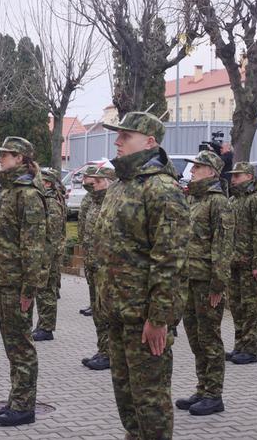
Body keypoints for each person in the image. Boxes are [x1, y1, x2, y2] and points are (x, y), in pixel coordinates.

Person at [94, 112, 190, 440]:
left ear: (149, 141)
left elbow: (170, 260)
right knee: (127, 399)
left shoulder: (162, 188)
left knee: (150, 401)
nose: (117, 141)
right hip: (118, 313)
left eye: (126, 136)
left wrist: (159, 317)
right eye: (117, 135)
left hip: (144, 319)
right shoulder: (121, 185)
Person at [0, 137, 47, 427]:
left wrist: (29, 288)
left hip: (17, 282)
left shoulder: (28, 193)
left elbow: (33, 245)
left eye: (6, 155)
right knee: (11, 343)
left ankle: (25, 406)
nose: (1, 159)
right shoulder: (7, 191)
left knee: (21, 345)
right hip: (2, 278)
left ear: (21, 158)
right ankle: (16, 398)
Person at [175, 150, 234, 416]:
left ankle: (214, 394)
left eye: (198, 167)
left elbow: (222, 247)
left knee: (210, 337)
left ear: (211, 171)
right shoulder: (193, 199)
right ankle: (202, 388)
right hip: (189, 278)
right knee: (195, 337)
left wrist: (217, 286)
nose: (193, 170)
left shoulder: (217, 202)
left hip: (207, 281)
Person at [225, 162, 257, 365]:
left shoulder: (256, 200)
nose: (234, 179)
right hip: (234, 262)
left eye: (238, 175)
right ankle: (239, 345)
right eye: (233, 175)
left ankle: (250, 349)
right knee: (236, 306)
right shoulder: (233, 200)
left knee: (250, 307)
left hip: (249, 263)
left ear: (250, 177)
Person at [80, 165, 116, 371]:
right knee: (97, 311)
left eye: (100, 181)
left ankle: (110, 352)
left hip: (107, 270)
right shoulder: (94, 203)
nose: (95, 184)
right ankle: (103, 349)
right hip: (93, 266)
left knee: (106, 312)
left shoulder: (113, 205)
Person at [32, 167, 66, 342]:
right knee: (43, 290)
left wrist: (44, 257)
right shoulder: (46, 199)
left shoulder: (51, 202)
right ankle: (43, 324)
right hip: (46, 253)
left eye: (40, 180)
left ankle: (46, 327)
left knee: (46, 291)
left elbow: (51, 234)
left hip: (48, 254)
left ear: (47, 183)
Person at [76, 166, 98, 316]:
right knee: (90, 277)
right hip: (87, 241)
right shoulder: (89, 196)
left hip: (96, 245)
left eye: (87, 177)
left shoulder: (99, 196)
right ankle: (93, 303)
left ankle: (97, 305)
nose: (84, 179)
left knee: (96, 278)